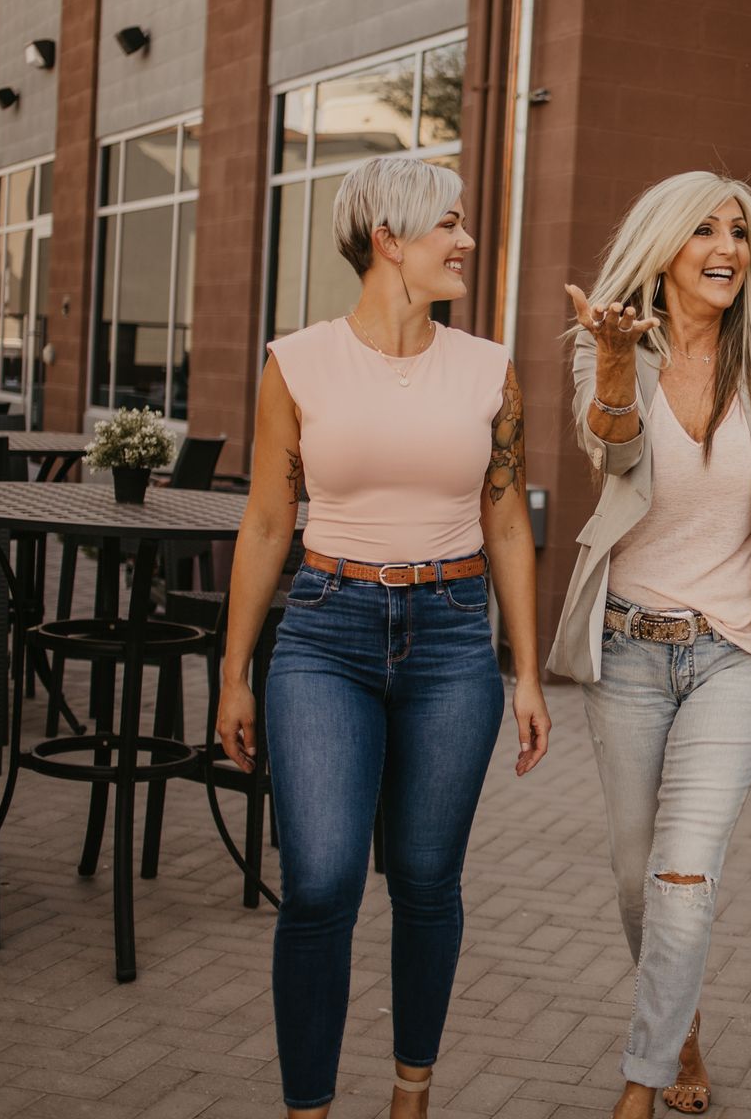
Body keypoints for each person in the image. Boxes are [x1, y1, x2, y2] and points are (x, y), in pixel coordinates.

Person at [215, 156, 552, 1119]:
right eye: (448, 223)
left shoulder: (489, 367)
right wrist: (235, 671)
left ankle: (412, 1094)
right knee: (319, 881)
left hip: (451, 642)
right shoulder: (299, 361)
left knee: (425, 879)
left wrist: (526, 671)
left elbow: (504, 522)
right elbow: (268, 521)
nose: (466, 240)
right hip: (326, 633)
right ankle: (308, 1109)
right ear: (388, 241)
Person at [547, 172, 751, 1119]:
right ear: (665, 248)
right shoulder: (606, 348)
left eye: (741, 233)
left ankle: (644, 1075)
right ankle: (685, 1022)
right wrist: (623, 365)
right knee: (639, 879)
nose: (728, 248)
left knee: (683, 874)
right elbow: (613, 452)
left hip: (734, 658)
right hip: (628, 649)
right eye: (706, 230)